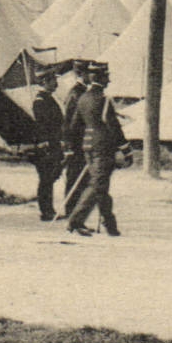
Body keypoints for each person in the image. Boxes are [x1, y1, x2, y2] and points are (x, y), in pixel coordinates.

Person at [65, 61, 125, 238]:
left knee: (101, 185)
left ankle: (110, 225)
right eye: (107, 77)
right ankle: (75, 221)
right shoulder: (103, 99)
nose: (109, 80)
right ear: (101, 78)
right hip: (102, 147)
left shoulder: (82, 98)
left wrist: (76, 146)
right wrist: (125, 149)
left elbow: (75, 125)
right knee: (97, 185)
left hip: (87, 147)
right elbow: (114, 127)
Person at [26, 69, 64, 222]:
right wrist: (47, 143)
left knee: (49, 177)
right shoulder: (41, 101)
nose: (56, 83)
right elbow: (43, 124)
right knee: (46, 178)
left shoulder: (47, 98)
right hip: (47, 145)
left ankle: (49, 209)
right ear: (44, 82)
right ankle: (46, 211)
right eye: (52, 80)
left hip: (52, 143)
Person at [59, 60, 90, 218]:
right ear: (80, 74)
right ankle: (71, 213)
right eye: (87, 73)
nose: (90, 76)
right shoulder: (75, 93)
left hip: (83, 144)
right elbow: (69, 122)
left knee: (83, 180)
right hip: (76, 144)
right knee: (74, 179)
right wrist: (69, 147)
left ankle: (77, 214)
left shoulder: (83, 92)